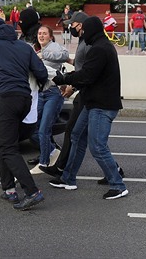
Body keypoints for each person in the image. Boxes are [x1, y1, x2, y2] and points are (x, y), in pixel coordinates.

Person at [0, 18, 48, 211]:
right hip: (24, 100)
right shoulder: (25, 47)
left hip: (6, 99)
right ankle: (9, 188)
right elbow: (42, 73)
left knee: (7, 147)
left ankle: (32, 191)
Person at [50, 16, 128, 200]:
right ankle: (68, 178)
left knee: (98, 146)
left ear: (92, 30)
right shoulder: (101, 46)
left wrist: (63, 79)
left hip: (102, 105)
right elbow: (88, 74)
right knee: (76, 135)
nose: (82, 33)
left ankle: (118, 185)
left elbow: (86, 76)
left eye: (84, 30)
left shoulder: (99, 49)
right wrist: (68, 77)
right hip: (93, 102)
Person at [29, 26, 69, 175]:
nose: (41, 35)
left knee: (44, 129)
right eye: (39, 33)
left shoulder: (54, 48)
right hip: (40, 92)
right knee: (33, 128)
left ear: (51, 36)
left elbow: (64, 55)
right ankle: (53, 151)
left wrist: (42, 55)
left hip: (53, 92)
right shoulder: (35, 51)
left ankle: (43, 163)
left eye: (45, 33)